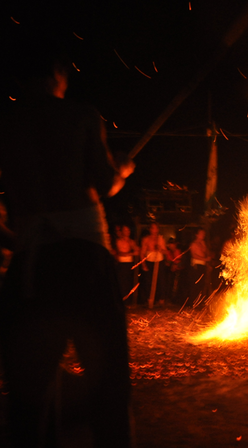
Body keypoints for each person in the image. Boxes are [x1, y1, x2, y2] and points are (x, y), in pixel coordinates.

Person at [0, 41, 134, 447]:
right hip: (84, 260)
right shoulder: (80, 116)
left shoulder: (5, 122)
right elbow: (103, 181)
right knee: (107, 383)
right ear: (57, 70)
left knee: (30, 395)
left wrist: (15, 237)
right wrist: (122, 170)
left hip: (31, 269)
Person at [140, 222, 168, 308]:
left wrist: (160, 249)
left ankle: (161, 300)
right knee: (148, 282)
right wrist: (143, 264)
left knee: (161, 281)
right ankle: (150, 300)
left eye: (156, 228)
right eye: (153, 228)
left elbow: (165, 251)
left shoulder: (160, 239)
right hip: (149, 261)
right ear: (150, 229)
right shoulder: (146, 239)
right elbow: (142, 253)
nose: (154, 230)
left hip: (159, 261)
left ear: (158, 229)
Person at [114, 224, 139, 307]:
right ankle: (120, 302)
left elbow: (137, 251)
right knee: (121, 283)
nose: (127, 232)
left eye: (128, 230)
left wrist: (133, 250)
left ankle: (127, 302)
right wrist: (131, 253)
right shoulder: (119, 241)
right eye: (125, 230)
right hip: (121, 264)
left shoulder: (131, 241)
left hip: (129, 264)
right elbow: (120, 253)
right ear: (122, 232)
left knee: (128, 283)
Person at [188, 228, 212, 300]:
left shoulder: (202, 243)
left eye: (204, 234)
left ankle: (199, 300)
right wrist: (205, 259)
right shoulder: (193, 244)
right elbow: (194, 255)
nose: (203, 235)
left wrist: (204, 246)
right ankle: (193, 300)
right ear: (197, 235)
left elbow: (206, 253)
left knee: (202, 284)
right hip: (196, 266)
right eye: (201, 233)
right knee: (196, 284)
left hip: (203, 266)